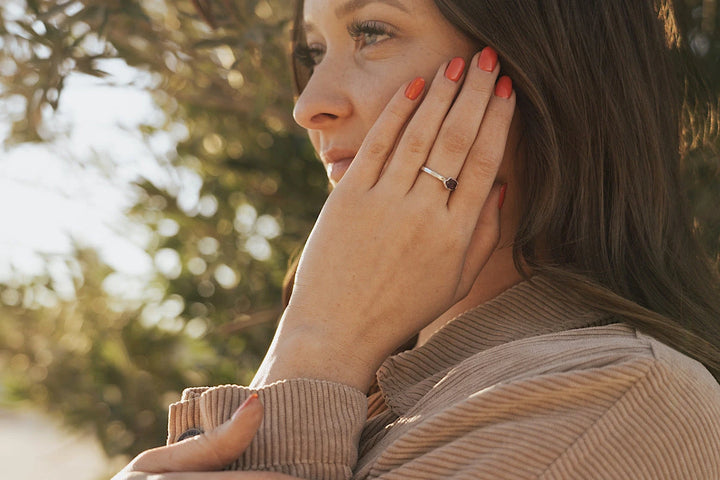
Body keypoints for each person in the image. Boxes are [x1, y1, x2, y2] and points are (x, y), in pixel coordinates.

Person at [114, 0, 720, 478]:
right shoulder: (380, 388)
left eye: (372, 31)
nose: (309, 105)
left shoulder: (618, 402)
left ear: (546, 65)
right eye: (313, 49)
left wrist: (314, 345)